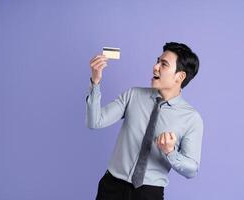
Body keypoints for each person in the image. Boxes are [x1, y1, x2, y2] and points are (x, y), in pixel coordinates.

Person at [86, 42, 204, 200]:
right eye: (157, 61)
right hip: (111, 188)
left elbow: (192, 170)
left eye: (164, 64)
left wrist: (171, 152)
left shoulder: (191, 118)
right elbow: (95, 121)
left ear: (180, 76)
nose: (155, 67)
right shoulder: (133, 95)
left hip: (149, 194)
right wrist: (95, 82)